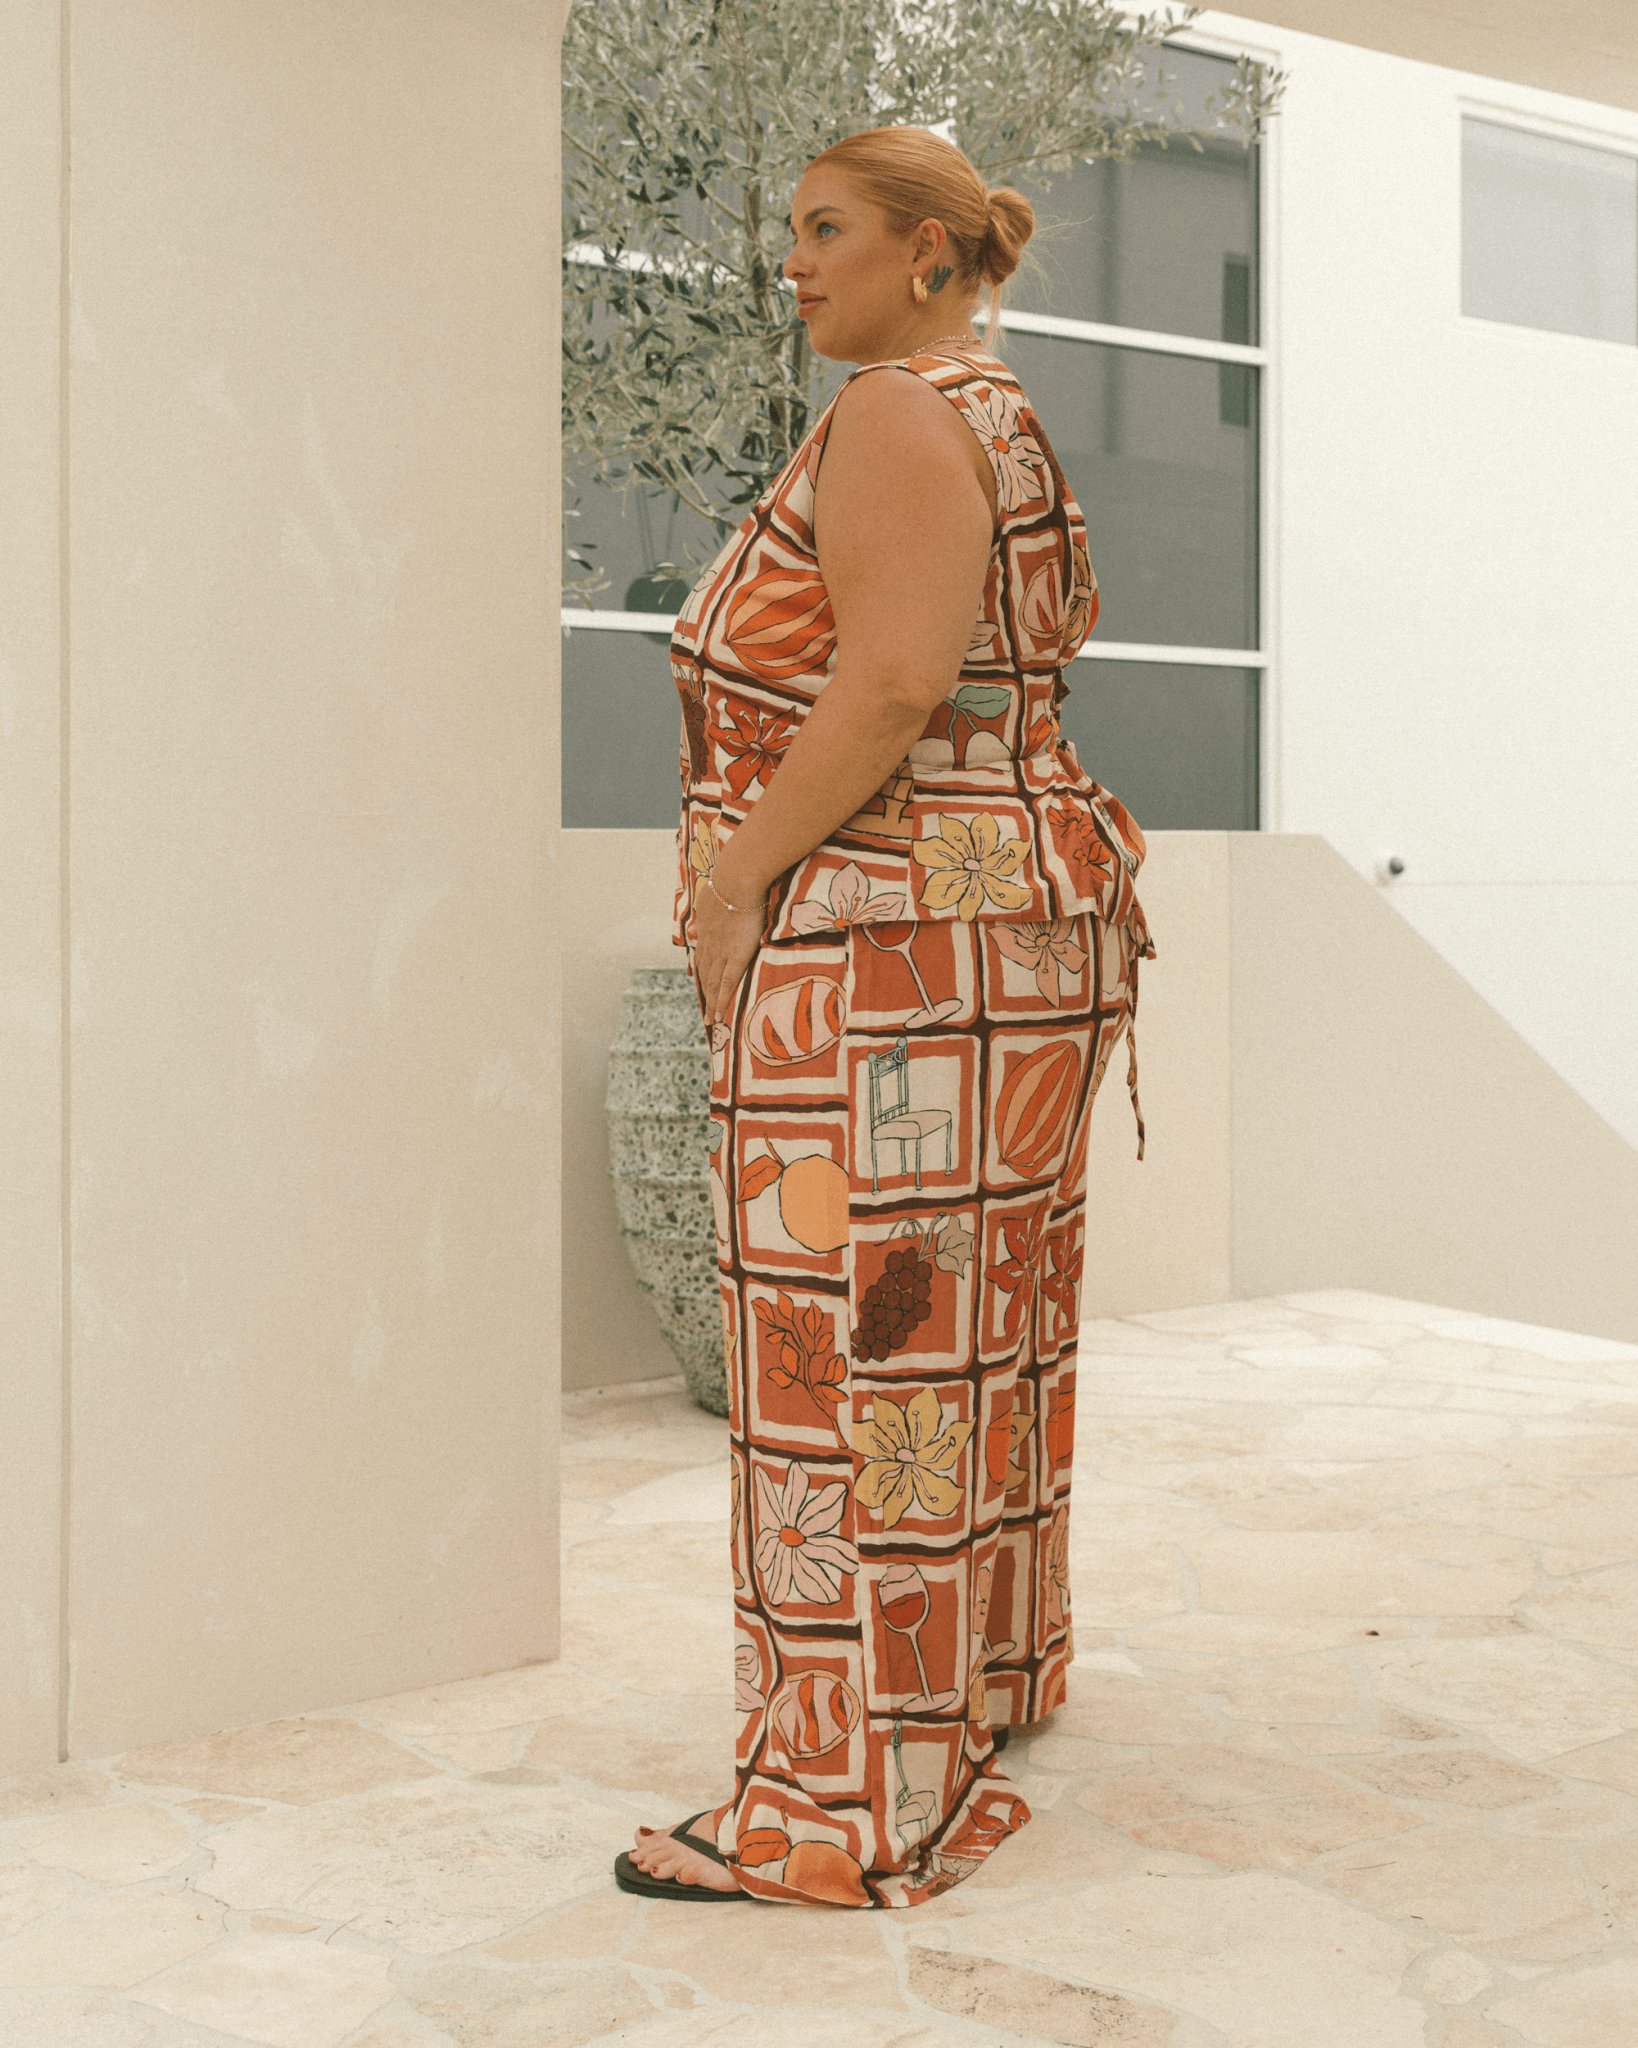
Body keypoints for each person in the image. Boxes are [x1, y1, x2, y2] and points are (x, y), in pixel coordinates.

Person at [614, 124, 1153, 1910]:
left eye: (825, 227)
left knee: (841, 1358)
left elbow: (896, 678)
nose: (794, 261)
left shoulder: (895, 413)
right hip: (1007, 928)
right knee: (964, 1339)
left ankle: (833, 1808)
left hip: (888, 947)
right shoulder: (998, 413)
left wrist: (731, 886)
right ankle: (970, 1690)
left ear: (928, 253)